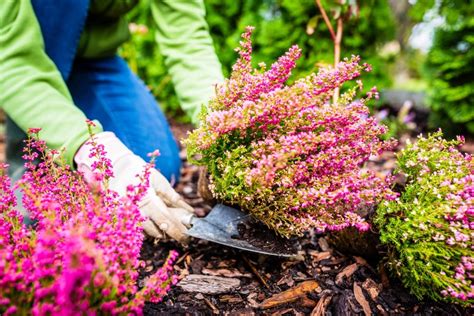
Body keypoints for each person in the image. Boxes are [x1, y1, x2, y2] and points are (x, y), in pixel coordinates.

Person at [0, 0, 224, 242]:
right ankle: (30, 149)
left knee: (152, 171)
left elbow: (186, 37)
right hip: (23, 57)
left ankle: (70, 166)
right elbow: (9, 58)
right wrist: (87, 148)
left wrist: (221, 120)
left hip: (94, 61)